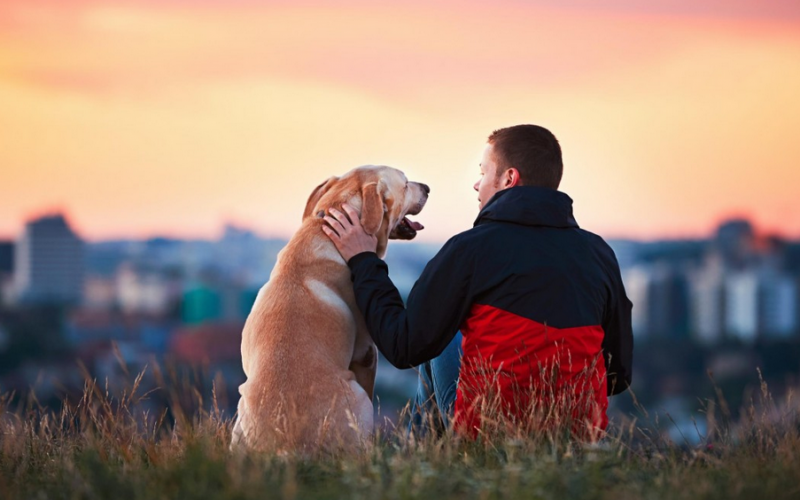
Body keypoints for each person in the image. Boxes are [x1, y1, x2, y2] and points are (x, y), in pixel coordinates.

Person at [321, 124, 633, 438]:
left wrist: (364, 260)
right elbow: (618, 375)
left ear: (509, 179)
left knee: (439, 343)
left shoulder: (470, 249)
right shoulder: (599, 254)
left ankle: (421, 466)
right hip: (578, 437)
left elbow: (402, 346)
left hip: (491, 434)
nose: (476, 184)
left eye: (483, 172)